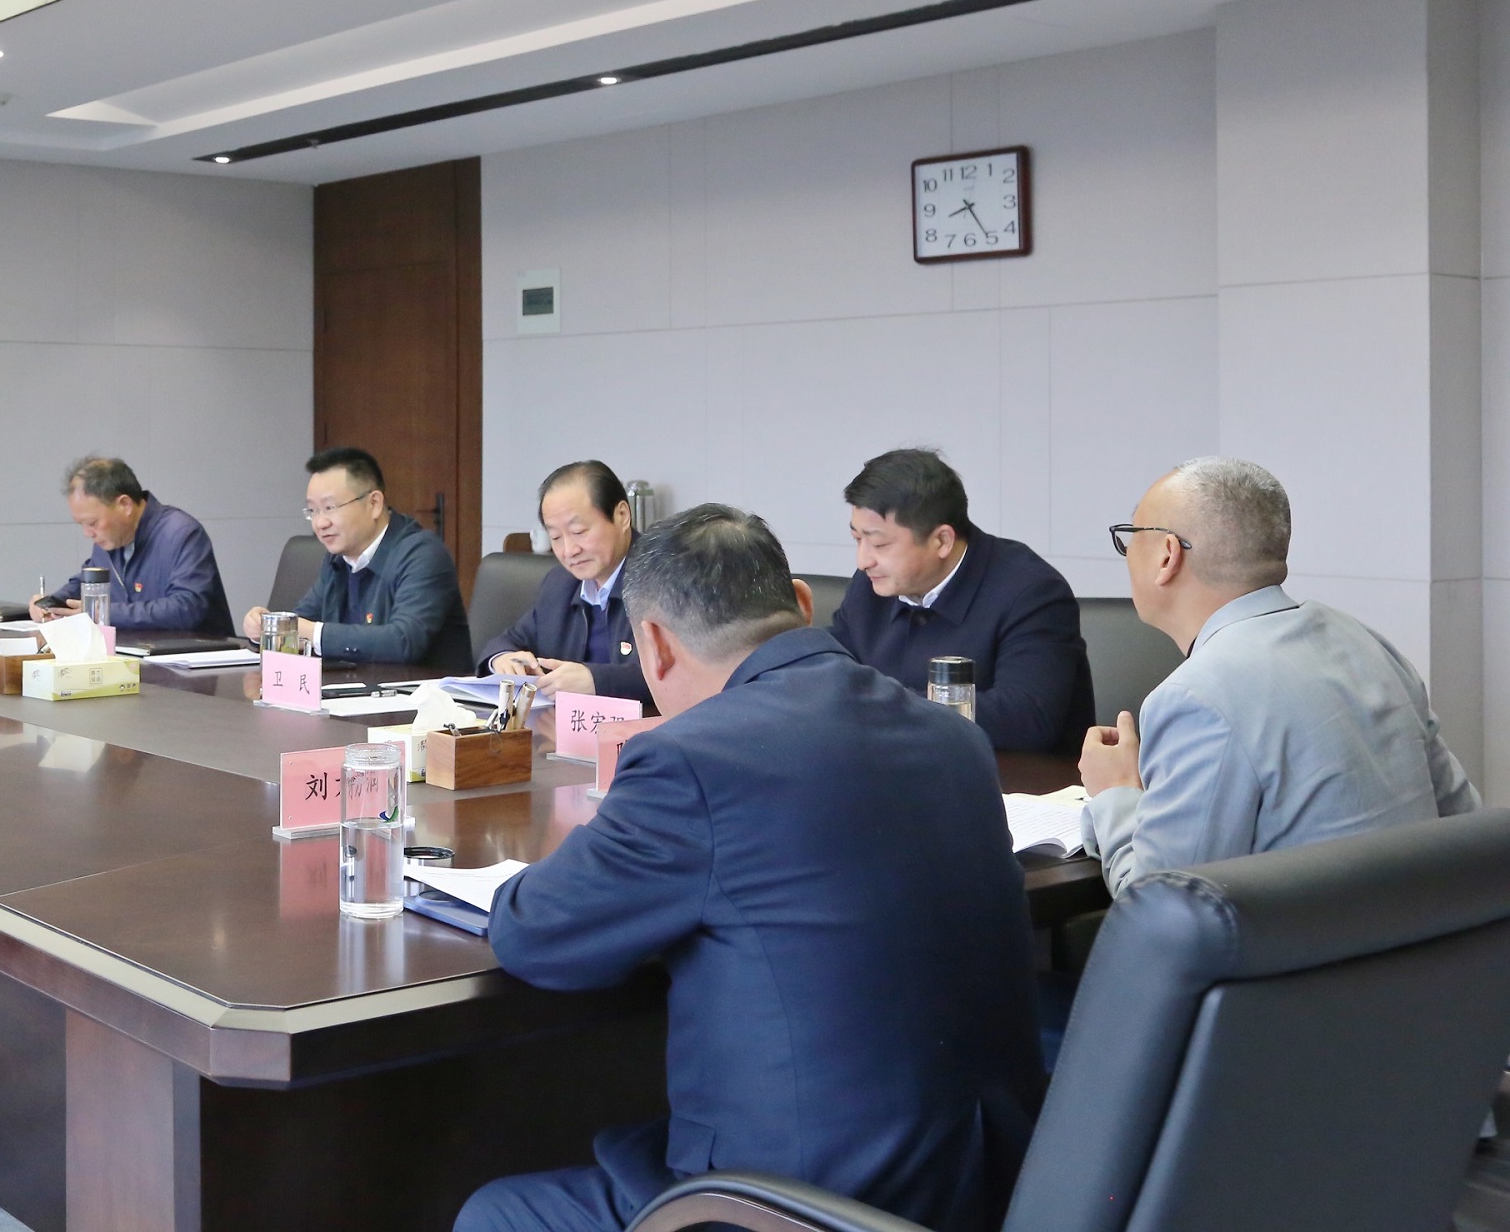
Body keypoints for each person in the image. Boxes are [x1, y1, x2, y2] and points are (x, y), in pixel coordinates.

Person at [458, 506, 1042, 1232]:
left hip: (802, 1204)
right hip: (987, 1187)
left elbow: (534, 933)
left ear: (654, 646)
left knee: (499, 1213)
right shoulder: (951, 734)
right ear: (801, 602)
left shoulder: (694, 757)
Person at [1082, 457, 1477, 895]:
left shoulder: (1194, 696)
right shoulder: (1365, 641)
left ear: (1167, 556)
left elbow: (1158, 903)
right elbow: (1465, 823)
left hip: (1301, 940)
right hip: (1423, 933)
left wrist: (1115, 792)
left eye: (1131, 537)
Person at [830, 448, 1093, 753]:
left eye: (879, 544)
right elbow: (832, 669)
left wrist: (881, 705)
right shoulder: (872, 584)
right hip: (896, 768)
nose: (863, 560)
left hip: (1009, 777)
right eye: (857, 539)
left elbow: (1027, 717)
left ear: (942, 540)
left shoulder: (1032, 591)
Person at [241, 447, 471, 668]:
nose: (320, 523)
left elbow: (404, 641)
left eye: (330, 507)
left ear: (374, 504)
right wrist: (265, 628)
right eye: (313, 511)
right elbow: (301, 621)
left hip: (422, 692)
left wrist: (312, 633)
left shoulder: (423, 554)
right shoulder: (338, 559)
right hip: (357, 689)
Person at [480, 461, 646, 706]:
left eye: (579, 531)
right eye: (556, 537)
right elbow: (508, 640)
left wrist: (597, 680)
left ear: (621, 515)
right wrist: (503, 659)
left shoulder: (666, 578)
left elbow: (685, 675)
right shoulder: (560, 584)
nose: (569, 550)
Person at [29, 456, 232, 635]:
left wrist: (104, 613)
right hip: (135, 655)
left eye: (92, 523)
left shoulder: (181, 532)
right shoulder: (110, 538)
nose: (87, 533)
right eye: (81, 524)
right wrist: (51, 603)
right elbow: (86, 582)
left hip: (194, 658)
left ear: (125, 505)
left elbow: (187, 608)